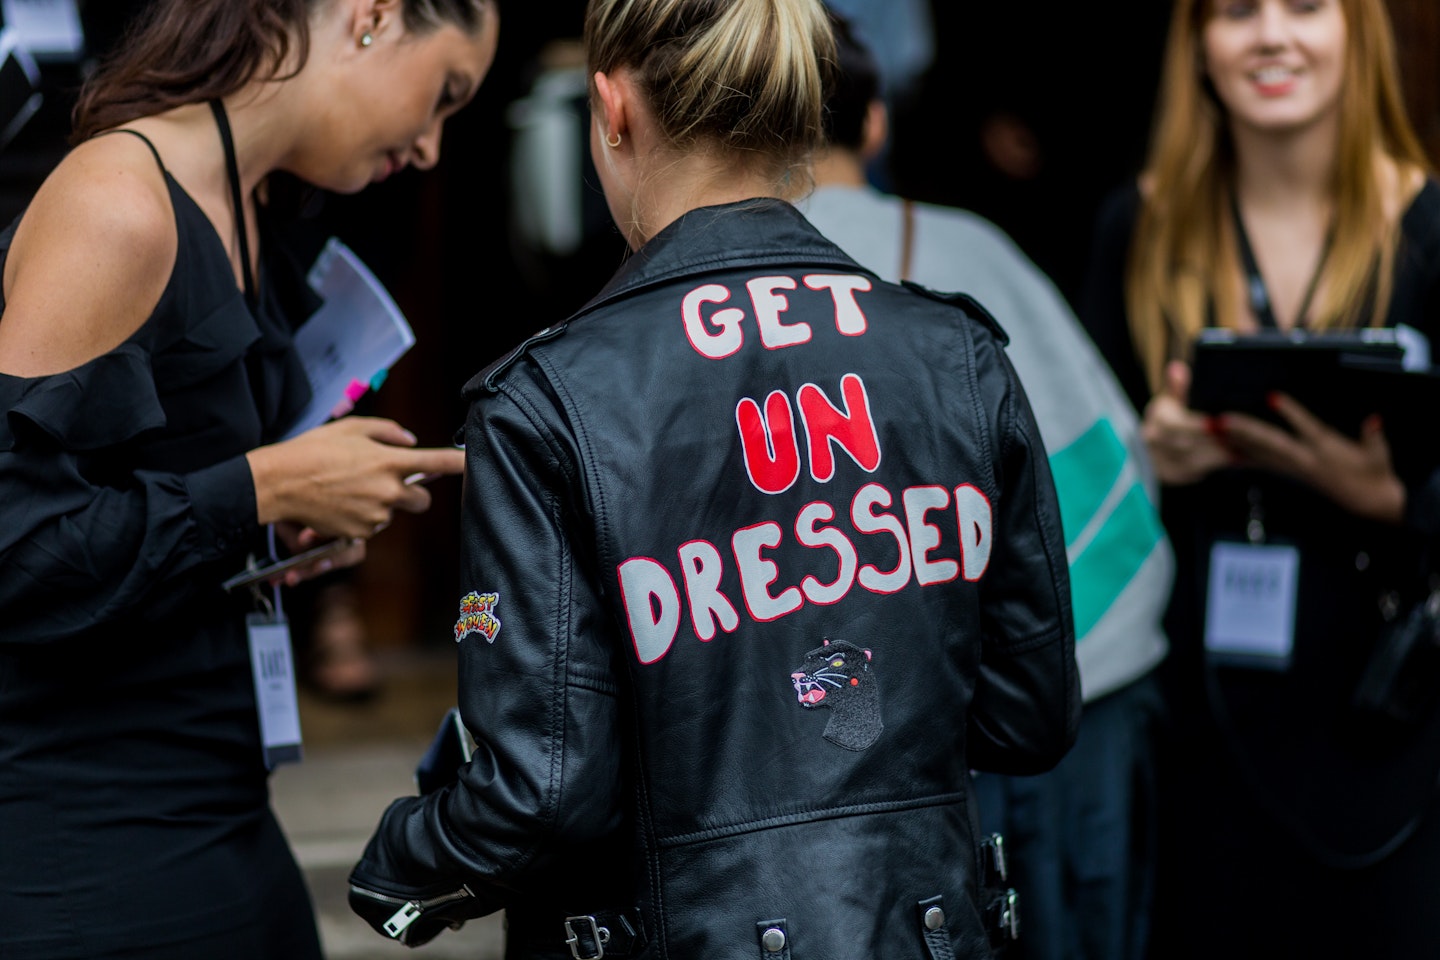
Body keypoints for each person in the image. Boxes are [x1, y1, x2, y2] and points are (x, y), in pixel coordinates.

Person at [347, 0, 1080, 957]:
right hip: (928, 929)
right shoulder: (957, 353)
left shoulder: (545, 403)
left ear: (610, 110)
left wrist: (400, 861)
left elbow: (543, 793)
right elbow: (1029, 716)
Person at [0, 0, 497, 956]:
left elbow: (151, 492)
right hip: (90, 838)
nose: (432, 147)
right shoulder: (119, 203)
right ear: (372, 18)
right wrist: (261, 488)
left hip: (211, 792)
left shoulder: (248, 199)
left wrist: (274, 530)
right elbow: (15, 542)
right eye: (443, 95)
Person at [798, 15, 1173, 960]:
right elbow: (1110, 489)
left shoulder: (693, 294)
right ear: (874, 123)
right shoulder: (967, 252)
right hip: (1060, 726)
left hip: (837, 762)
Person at [1078, 0, 1440, 956]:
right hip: (1198, 722)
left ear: (1357, 32)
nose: (1272, 35)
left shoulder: (1430, 226)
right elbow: (1072, 490)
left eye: (1306, 7)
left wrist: (1395, 499)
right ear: (1196, 43)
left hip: (1388, 719)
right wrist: (1146, 459)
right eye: (1239, 11)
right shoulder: (1137, 226)